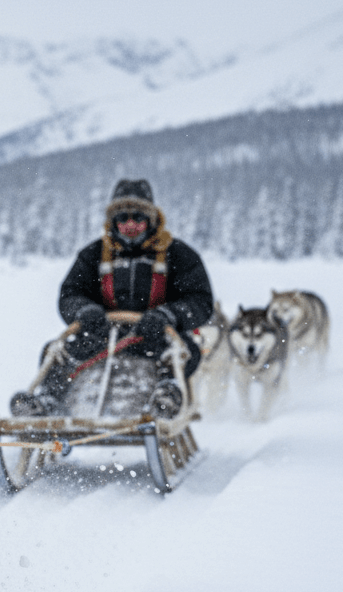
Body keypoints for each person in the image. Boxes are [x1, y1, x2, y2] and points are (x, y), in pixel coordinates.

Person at [11, 178, 214, 417]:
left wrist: (167, 315)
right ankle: (46, 402)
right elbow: (70, 293)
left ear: (151, 219)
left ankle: (165, 397)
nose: (130, 225)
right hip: (102, 334)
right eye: (122, 218)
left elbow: (200, 300)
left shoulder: (178, 255)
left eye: (137, 217)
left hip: (155, 336)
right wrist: (84, 311)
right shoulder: (93, 254)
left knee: (184, 352)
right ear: (113, 221)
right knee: (57, 351)